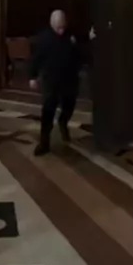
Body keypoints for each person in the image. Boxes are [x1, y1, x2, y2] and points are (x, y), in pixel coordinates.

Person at [29, 10, 82, 156]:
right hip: (51, 81)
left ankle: (63, 122)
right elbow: (35, 59)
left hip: (69, 80)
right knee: (48, 111)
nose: (61, 30)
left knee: (69, 106)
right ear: (52, 24)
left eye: (63, 27)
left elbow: (80, 55)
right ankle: (44, 142)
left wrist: (76, 45)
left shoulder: (71, 35)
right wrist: (32, 77)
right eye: (58, 28)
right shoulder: (44, 39)